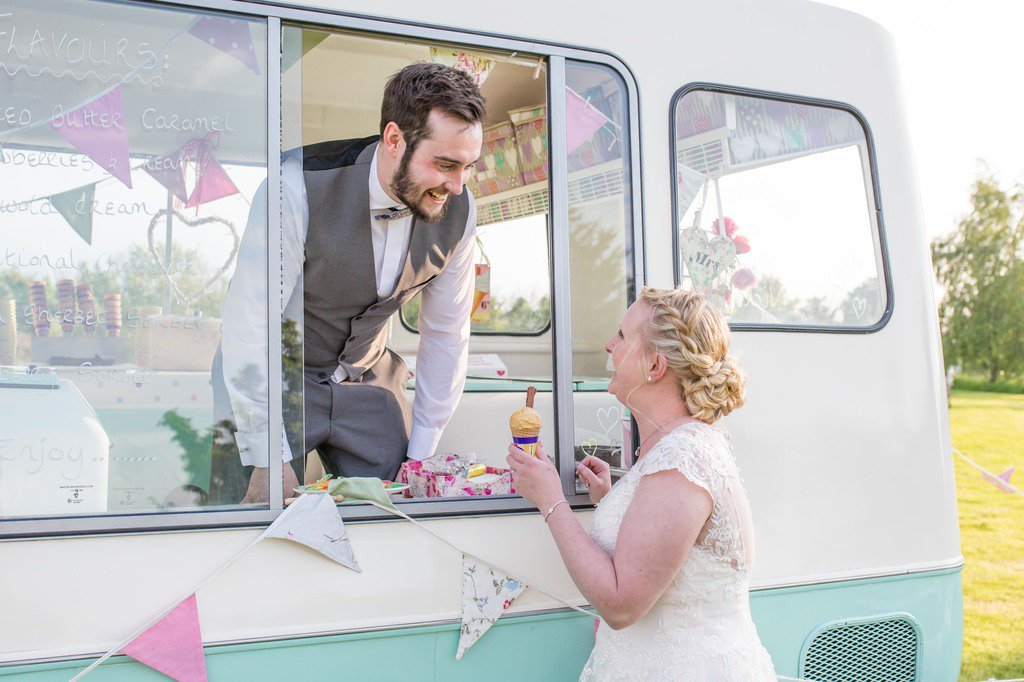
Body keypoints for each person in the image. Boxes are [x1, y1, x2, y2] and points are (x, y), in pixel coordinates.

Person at [213, 63, 485, 504]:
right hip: (276, 378)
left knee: (398, 515)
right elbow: (249, 322)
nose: (457, 186)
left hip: (370, 382)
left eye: (469, 166)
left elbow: (447, 334)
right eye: (445, 164)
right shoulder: (294, 187)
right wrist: (267, 455)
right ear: (394, 139)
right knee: (247, 525)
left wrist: (420, 455)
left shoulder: (461, 209)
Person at [507, 286, 776, 680]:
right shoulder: (676, 448)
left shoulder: (682, 459)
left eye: (621, 336)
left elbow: (620, 604)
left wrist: (551, 501)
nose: (608, 346)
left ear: (655, 367)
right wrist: (611, 500)